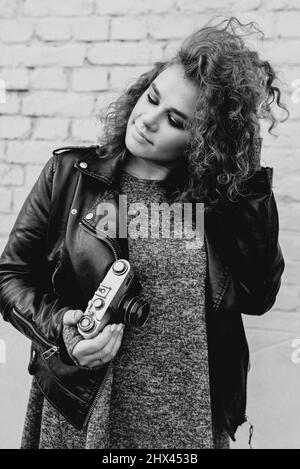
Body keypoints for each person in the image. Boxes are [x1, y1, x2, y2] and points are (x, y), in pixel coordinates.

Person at [0, 17, 287, 449]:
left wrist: (247, 183)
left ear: (204, 140)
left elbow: (258, 296)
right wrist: (63, 328)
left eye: (175, 119)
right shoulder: (70, 176)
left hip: (189, 418)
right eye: (152, 98)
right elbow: (10, 277)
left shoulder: (219, 201)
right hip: (86, 410)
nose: (147, 120)